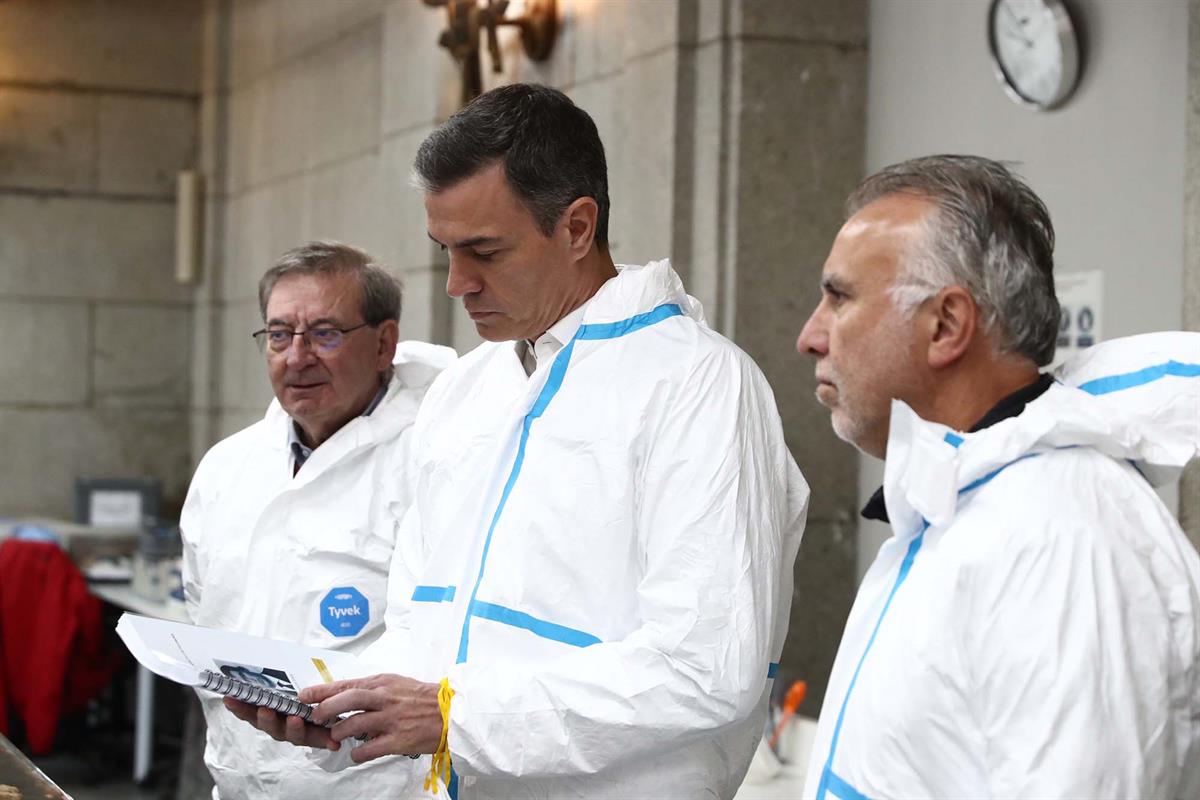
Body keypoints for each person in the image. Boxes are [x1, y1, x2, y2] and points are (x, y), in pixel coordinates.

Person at [228, 84, 809, 799]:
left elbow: (708, 668)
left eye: (484, 251)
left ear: (575, 227)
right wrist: (349, 711)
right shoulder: (465, 392)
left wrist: (452, 715)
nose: (454, 284)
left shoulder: (700, 385)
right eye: (443, 250)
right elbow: (419, 621)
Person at [795, 154, 1200, 799]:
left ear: (947, 326)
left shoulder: (1064, 537)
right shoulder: (966, 504)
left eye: (838, 297)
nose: (809, 337)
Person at [181, 241, 455, 799]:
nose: (296, 356)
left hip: (373, 787)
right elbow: (201, 610)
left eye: (325, 333)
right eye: (279, 334)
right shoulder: (228, 467)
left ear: (384, 344)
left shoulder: (436, 460)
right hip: (240, 782)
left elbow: (440, 643)